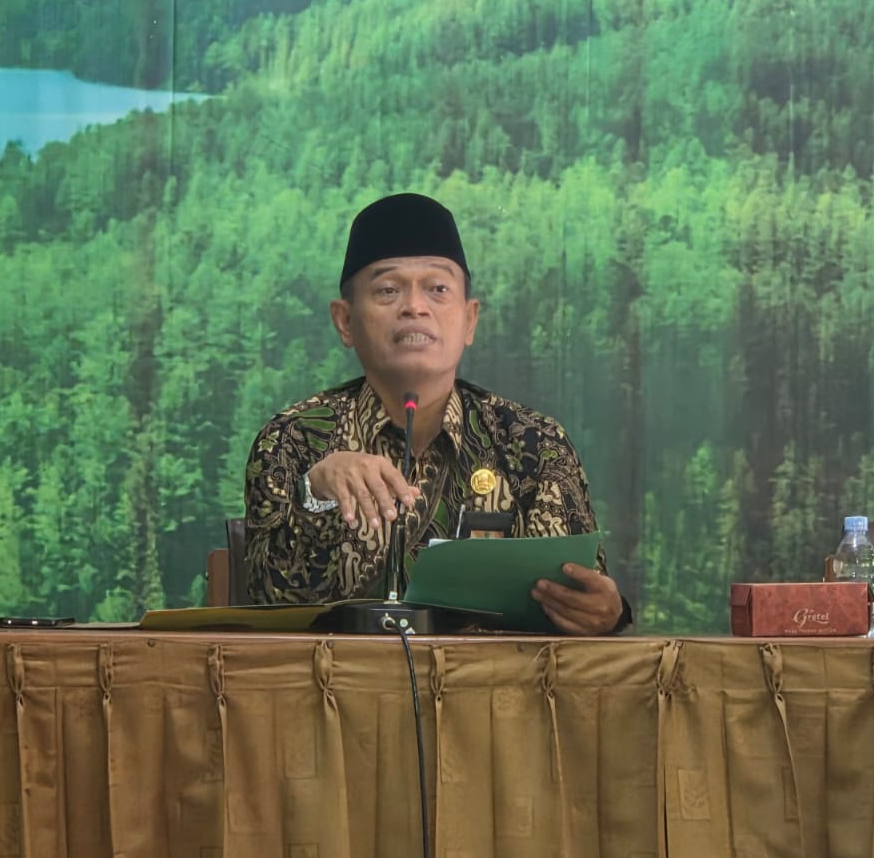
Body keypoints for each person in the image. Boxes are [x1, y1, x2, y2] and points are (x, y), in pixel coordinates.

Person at [243, 192, 629, 634]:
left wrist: (607, 612)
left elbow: (583, 599)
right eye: (388, 289)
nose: (414, 306)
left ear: (469, 320)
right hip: (336, 695)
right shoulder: (295, 440)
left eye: (437, 289)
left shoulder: (533, 444)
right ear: (345, 321)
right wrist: (315, 493)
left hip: (495, 696)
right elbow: (263, 608)